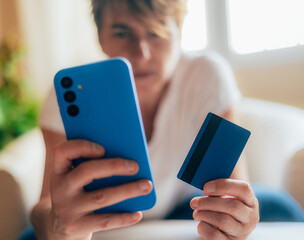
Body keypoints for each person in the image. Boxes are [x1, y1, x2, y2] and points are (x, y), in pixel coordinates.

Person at [27, 0, 303, 239]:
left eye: (156, 32)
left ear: (179, 32)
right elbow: (46, 205)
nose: (142, 53)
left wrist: (237, 218)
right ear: (100, 37)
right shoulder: (72, 94)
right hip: (99, 219)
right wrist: (56, 224)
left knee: (278, 207)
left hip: (186, 209)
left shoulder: (207, 76)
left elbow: (232, 187)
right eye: (123, 33)